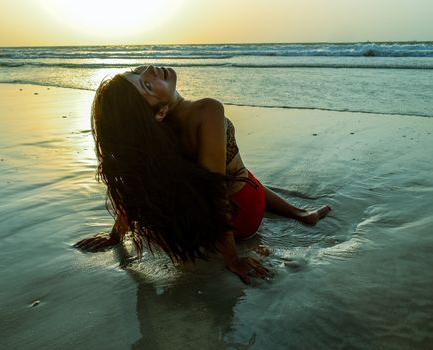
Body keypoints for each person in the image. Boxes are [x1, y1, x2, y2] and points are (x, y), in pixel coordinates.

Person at [74, 66, 331, 284]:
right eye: (147, 85)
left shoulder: (154, 139)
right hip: (241, 215)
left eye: (138, 71)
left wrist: (115, 236)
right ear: (160, 112)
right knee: (240, 176)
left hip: (204, 226)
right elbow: (215, 191)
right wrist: (232, 258)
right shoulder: (206, 110)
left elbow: (136, 188)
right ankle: (300, 214)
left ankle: (298, 213)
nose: (151, 69)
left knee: (218, 176)